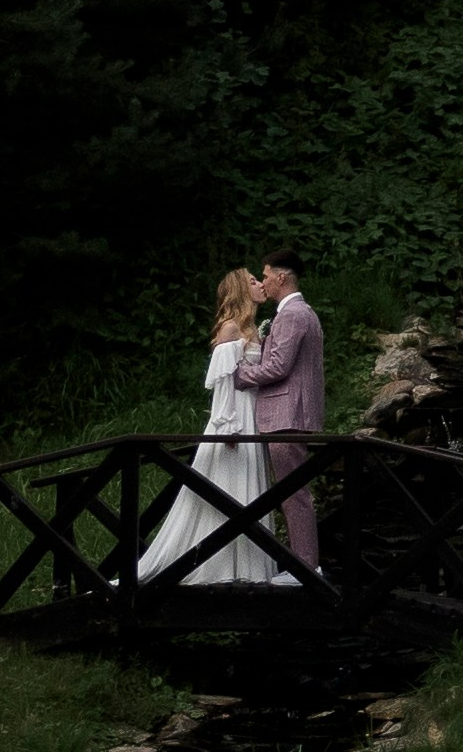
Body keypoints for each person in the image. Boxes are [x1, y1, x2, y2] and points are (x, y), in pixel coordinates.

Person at [138, 269, 281, 585]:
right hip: (234, 418)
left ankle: (248, 566)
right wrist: (227, 425)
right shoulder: (231, 330)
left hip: (253, 415)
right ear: (241, 292)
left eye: (260, 279)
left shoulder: (255, 330)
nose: (260, 284)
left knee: (248, 490)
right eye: (253, 282)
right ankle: (216, 564)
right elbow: (224, 385)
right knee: (225, 487)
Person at [239, 245, 326, 573]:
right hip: (289, 414)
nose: (264, 282)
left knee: (294, 494)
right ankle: (303, 566)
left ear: (282, 276)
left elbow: (278, 367)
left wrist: (240, 376)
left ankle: (306, 569)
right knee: (291, 493)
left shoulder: (292, 314)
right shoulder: (301, 312)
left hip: (286, 415)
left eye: (266, 276)